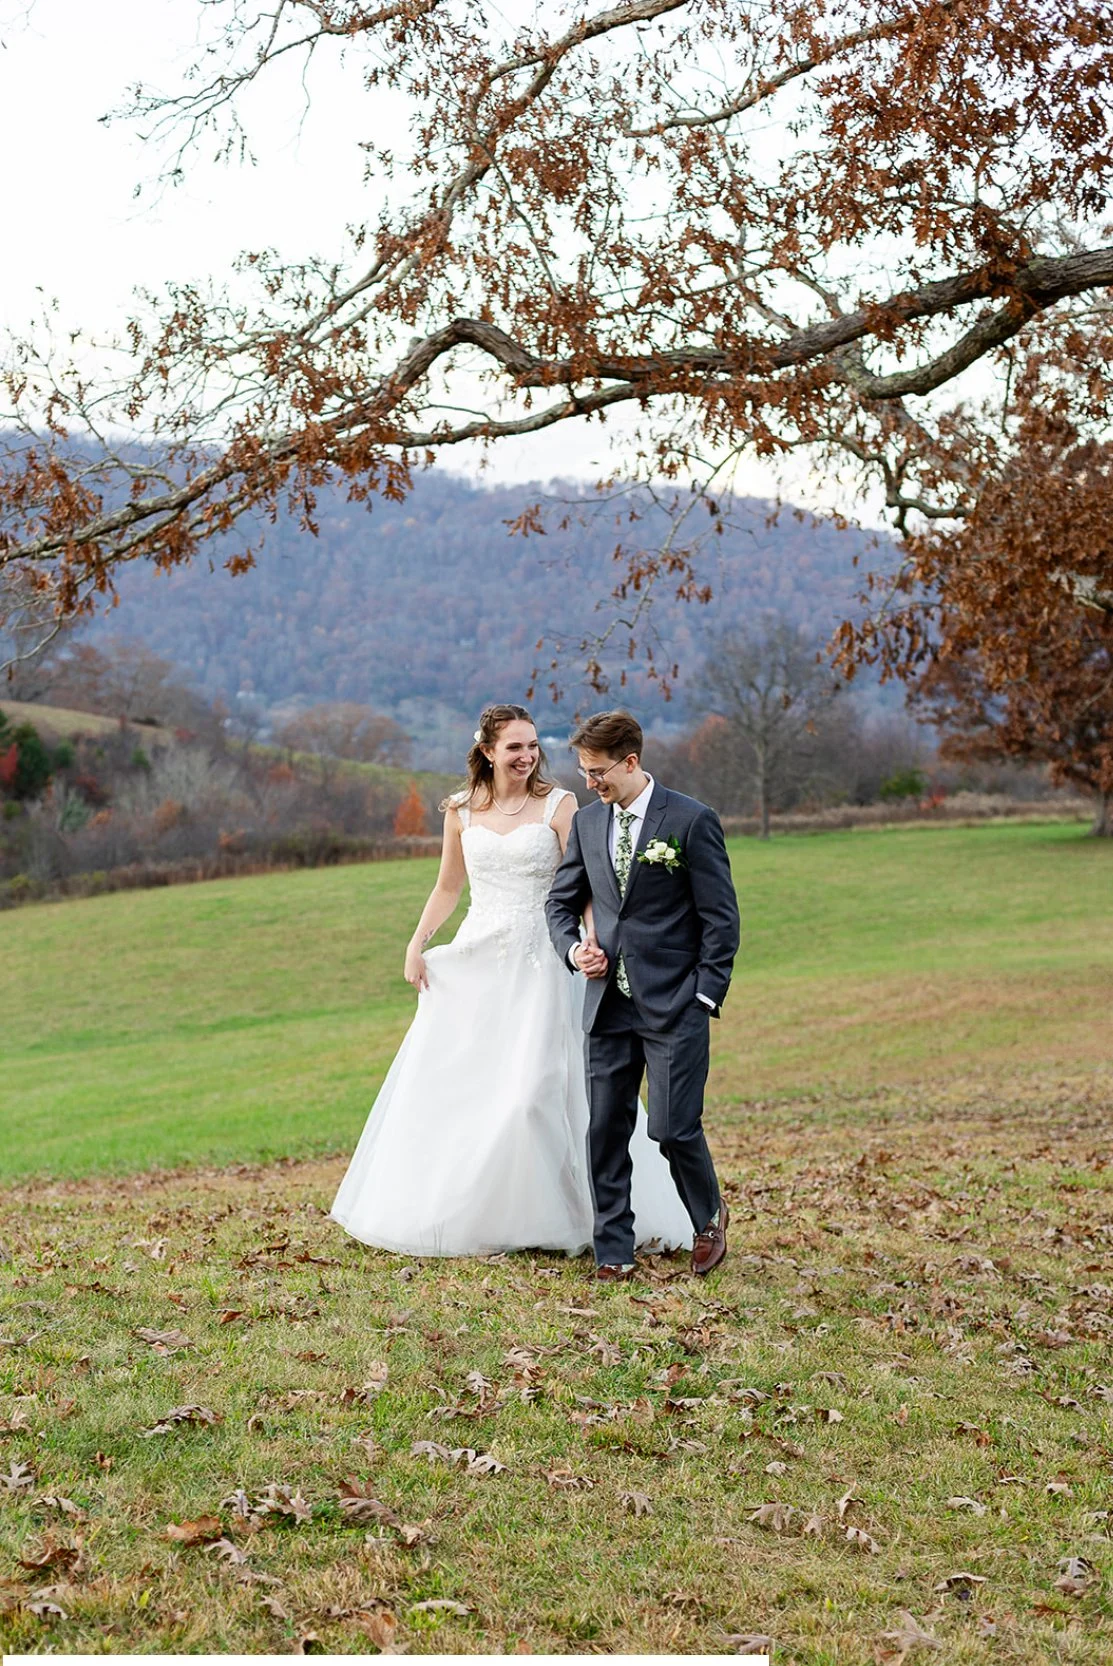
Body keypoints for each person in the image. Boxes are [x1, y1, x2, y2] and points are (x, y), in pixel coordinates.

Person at [330, 704, 692, 1257]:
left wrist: (589, 943)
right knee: (468, 1092)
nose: (526, 757)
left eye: (532, 746)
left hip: (544, 964)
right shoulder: (459, 812)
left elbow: (587, 884)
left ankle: (571, 1216)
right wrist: (417, 943)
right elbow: (448, 887)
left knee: (534, 1095)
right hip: (479, 963)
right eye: (514, 747)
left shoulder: (560, 805)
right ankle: (474, 1216)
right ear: (487, 751)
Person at [545, 709, 740, 1281]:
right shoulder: (585, 824)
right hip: (606, 1004)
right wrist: (574, 950)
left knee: (672, 1128)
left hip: (676, 1004)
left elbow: (721, 920)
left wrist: (705, 995)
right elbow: (560, 903)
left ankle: (707, 1218)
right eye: (583, 771)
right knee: (605, 1129)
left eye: (598, 771)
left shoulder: (690, 820)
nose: (589, 782)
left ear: (631, 762)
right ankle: (613, 1250)